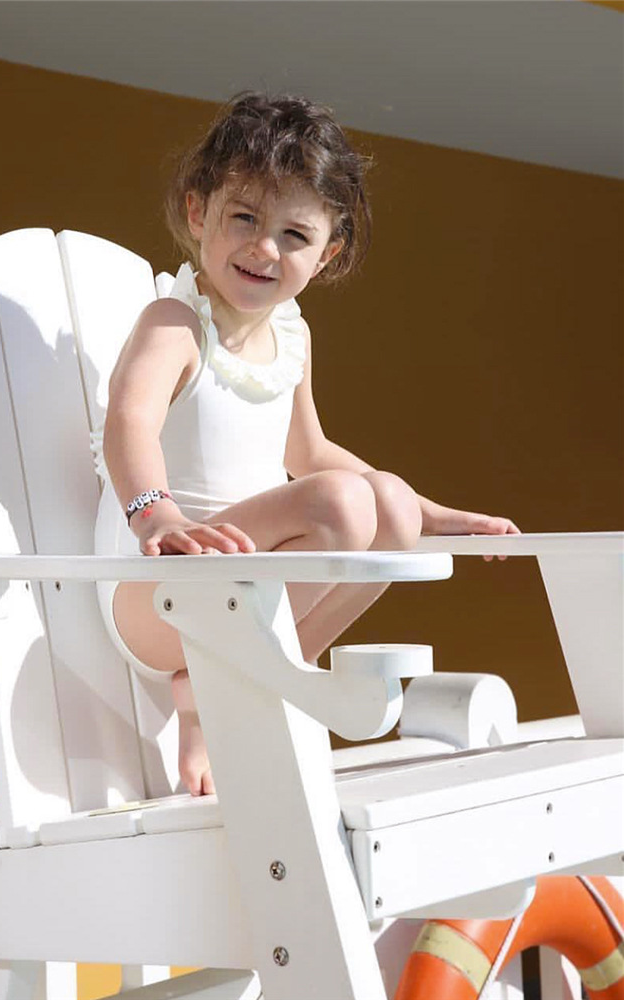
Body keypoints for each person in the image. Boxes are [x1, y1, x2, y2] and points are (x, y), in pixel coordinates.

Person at [93, 91, 520, 797]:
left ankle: (259, 681)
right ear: (198, 213)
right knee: (344, 507)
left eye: (295, 235)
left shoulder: (292, 337)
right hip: (157, 595)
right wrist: (157, 516)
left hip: (233, 600)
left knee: (388, 507)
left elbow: (311, 453)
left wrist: (433, 513)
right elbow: (129, 421)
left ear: (327, 255)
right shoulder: (175, 323)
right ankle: (209, 689)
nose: (265, 248)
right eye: (245, 218)